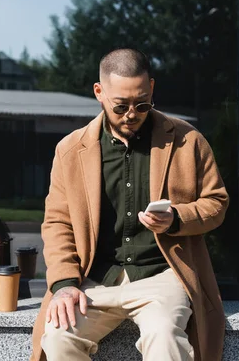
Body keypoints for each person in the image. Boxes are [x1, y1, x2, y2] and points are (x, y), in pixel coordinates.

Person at [30, 48, 229, 361]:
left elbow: (216, 203)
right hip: (92, 279)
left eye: (142, 104)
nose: (131, 114)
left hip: (162, 275)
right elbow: (57, 222)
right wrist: (65, 284)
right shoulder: (70, 150)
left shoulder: (187, 140)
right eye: (120, 106)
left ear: (151, 87)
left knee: (166, 339)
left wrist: (176, 218)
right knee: (57, 338)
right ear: (99, 92)